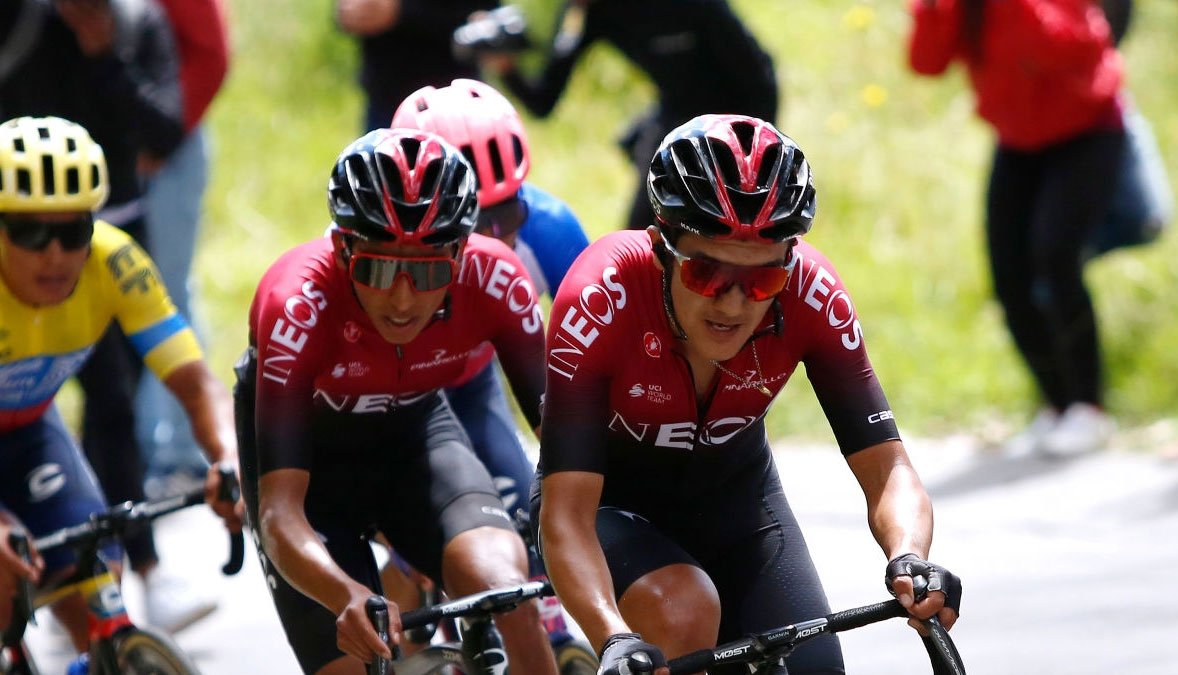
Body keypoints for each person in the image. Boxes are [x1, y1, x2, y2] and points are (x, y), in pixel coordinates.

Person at [533, 114, 962, 674]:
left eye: (763, 281)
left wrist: (908, 554)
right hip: (610, 508)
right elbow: (566, 515)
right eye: (707, 274)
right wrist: (613, 636)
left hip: (737, 502)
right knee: (683, 608)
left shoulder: (813, 292)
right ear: (664, 247)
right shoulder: (600, 295)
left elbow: (888, 468)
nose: (734, 304)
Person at [234, 127, 558, 675]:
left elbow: (569, 448)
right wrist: (344, 595)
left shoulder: (497, 280)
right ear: (342, 249)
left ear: (460, 253)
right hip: (309, 478)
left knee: (509, 593)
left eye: (429, 270)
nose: (403, 299)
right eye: (378, 268)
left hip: (414, 439)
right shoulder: (297, 304)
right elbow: (280, 513)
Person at [0, 0, 224, 633]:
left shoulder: (107, 257)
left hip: (27, 425)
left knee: (94, 572)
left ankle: (130, 609)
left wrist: (229, 457)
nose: (53, 254)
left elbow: (192, 376)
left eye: (71, 232)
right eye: (29, 233)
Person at [392, 77, 589, 645]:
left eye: (508, 215)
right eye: (477, 223)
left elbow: (599, 352)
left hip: (473, 389)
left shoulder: (549, 226)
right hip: (398, 405)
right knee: (420, 551)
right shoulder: (381, 246)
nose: (496, 242)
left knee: (534, 520)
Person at [907, 0, 1125, 457]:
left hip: (1087, 130)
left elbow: (1072, 47)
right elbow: (926, 62)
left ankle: (1090, 406)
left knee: (1055, 255)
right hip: (1018, 142)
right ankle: (1057, 403)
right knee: (1008, 273)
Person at [478, 0, 778, 231]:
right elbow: (543, 102)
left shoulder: (690, 5)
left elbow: (759, 79)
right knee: (641, 226)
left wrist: (751, 159)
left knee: (721, 220)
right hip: (675, 110)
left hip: (735, 115)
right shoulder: (589, 11)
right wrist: (507, 66)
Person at [134, 0, 231, 498]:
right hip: (115, 146)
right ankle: (143, 449)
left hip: (166, 152)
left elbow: (212, 55)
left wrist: (162, 139)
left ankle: (183, 452)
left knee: (165, 292)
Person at [334, 0, 497, 130]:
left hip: (455, 102)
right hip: (386, 100)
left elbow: (484, 18)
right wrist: (352, 13)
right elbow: (345, 13)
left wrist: (403, 11)